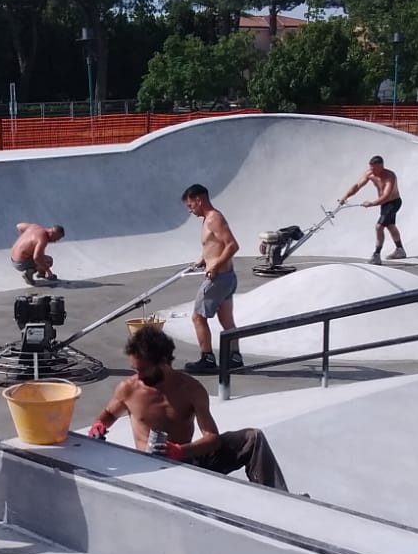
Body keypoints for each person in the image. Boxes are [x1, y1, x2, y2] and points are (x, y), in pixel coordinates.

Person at [85, 325, 287, 491]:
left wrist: (179, 451)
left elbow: (212, 439)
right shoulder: (129, 389)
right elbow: (109, 413)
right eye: (135, 370)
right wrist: (98, 425)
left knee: (253, 438)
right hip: (149, 468)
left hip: (186, 459)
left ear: (163, 362)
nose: (138, 375)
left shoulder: (191, 389)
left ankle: (277, 499)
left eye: (143, 370)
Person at [180, 183, 242, 375]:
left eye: (190, 205)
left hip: (218, 278)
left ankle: (207, 358)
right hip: (227, 277)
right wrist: (203, 260)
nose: (190, 210)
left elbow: (232, 245)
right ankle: (235, 358)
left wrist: (214, 265)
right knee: (226, 320)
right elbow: (214, 245)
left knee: (197, 317)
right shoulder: (208, 218)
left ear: (199, 200)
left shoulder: (213, 219)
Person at [338, 155, 406, 264]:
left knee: (379, 227)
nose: (372, 170)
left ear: (381, 166)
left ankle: (376, 255)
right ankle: (400, 250)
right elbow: (357, 185)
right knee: (390, 226)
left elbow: (387, 195)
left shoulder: (390, 176)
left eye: (375, 168)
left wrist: (372, 203)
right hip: (384, 204)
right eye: (371, 167)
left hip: (393, 203)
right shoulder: (370, 174)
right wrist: (345, 196)